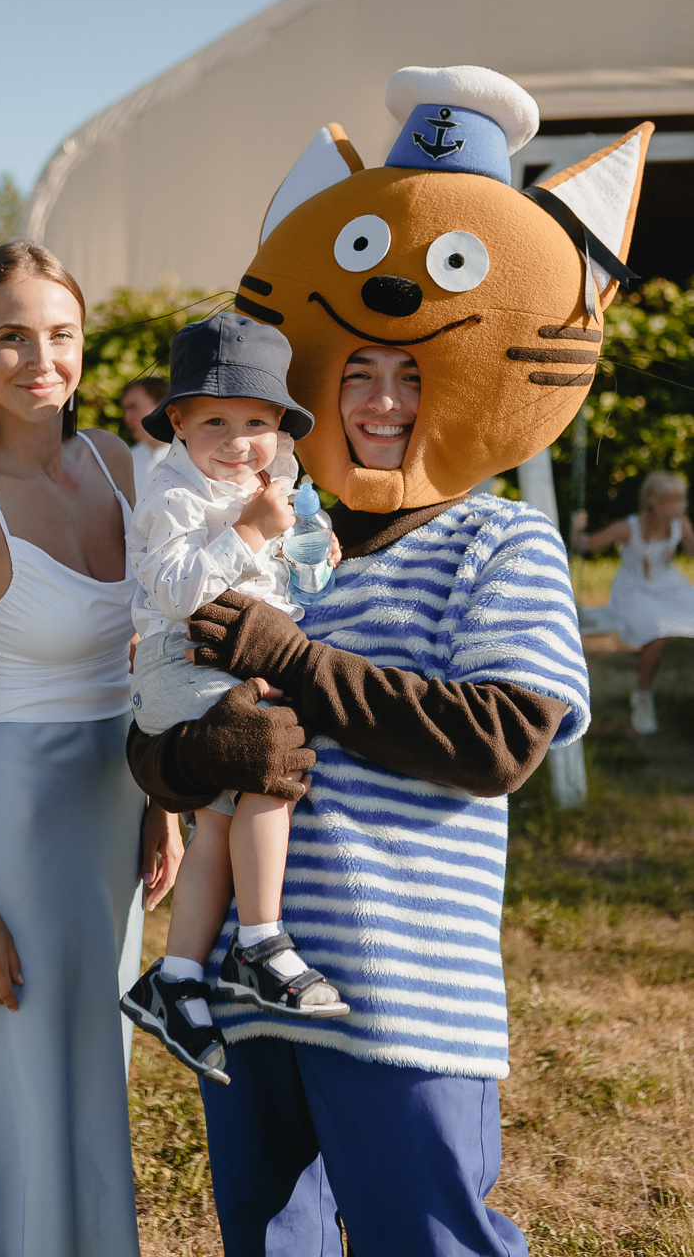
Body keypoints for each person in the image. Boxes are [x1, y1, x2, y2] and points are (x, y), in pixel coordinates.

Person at [127, 342, 590, 1257]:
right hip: (246, 988)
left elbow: (500, 740)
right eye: (358, 375)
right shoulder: (264, 526)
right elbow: (156, 729)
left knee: (427, 1242)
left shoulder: (499, 536)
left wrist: (295, 661)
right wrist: (193, 756)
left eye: (413, 374)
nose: (385, 402)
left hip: (403, 988)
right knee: (269, 1243)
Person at [0, 241, 182, 1257]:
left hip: (115, 811)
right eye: (11, 336)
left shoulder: (117, 461)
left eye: (59, 333)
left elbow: (153, 648)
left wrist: (163, 801)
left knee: (90, 1066)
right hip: (17, 831)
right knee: (33, 1082)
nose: (38, 357)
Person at [121, 313, 346, 1087]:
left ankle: (176, 977)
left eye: (254, 421)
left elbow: (300, 581)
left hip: (229, 659)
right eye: (212, 420)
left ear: (279, 424)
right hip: (178, 662)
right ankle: (259, 938)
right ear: (176, 422)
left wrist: (308, 548)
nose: (235, 440)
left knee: (219, 815)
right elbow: (176, 590)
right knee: (266, 756)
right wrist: (249, 531)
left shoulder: (275, 481)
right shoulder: (172, 493)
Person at [572, 471, 694, 734]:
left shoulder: (680, 524)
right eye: (677, 501)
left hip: (669, 587)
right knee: (658, 630)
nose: (683, 506)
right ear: (656, 503)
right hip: (634, 592)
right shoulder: (628, 528)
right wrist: (577, 528)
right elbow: (586, 544)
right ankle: (643, 696)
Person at [120, 376, 171, 493]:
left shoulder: (194, 458)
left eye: (133, 408)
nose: (127, 418)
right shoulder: (128, 460)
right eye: (125, 410)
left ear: (161, 406)